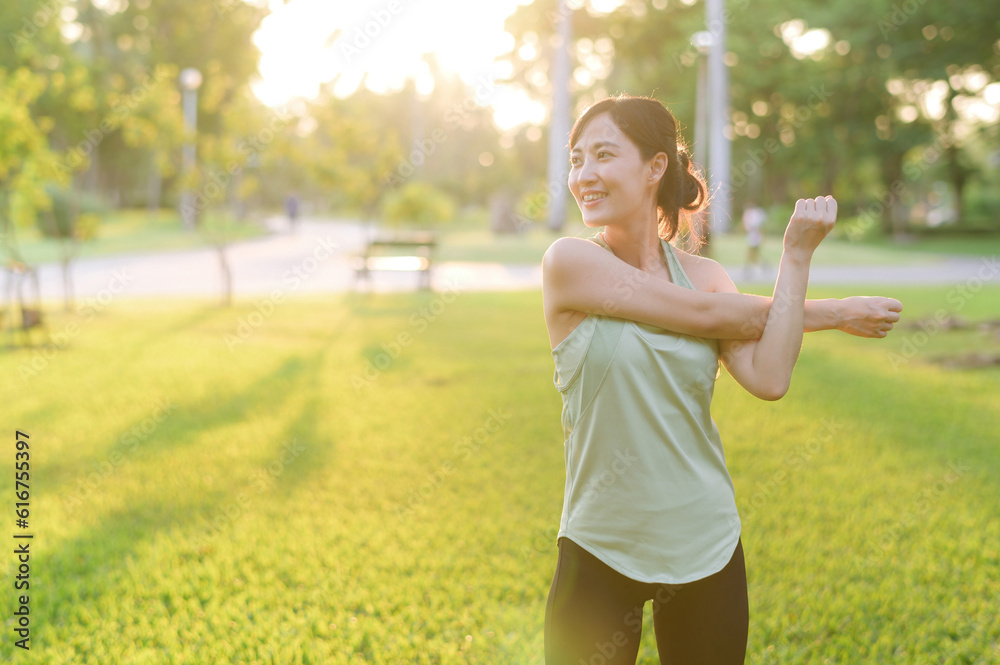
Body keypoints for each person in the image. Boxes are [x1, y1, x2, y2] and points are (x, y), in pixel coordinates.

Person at [540, 94, 902, 665]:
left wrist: (796, 258)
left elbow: (769, 375)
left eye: (603, 155)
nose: (584, 175)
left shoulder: (706, 277)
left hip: (705, 540)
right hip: (600, 541)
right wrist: (835, 312)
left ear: (655, 167)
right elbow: (706, 317)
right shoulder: (569, 264)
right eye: (576, 159)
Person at [742, 199, 768, 280]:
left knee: (752, 254)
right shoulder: (748, 216)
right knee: (754, 255)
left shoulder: (754, 216)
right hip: (752, 237)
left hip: (755, 237)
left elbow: (757, 227)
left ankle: (748, 270)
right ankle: (763, 266)